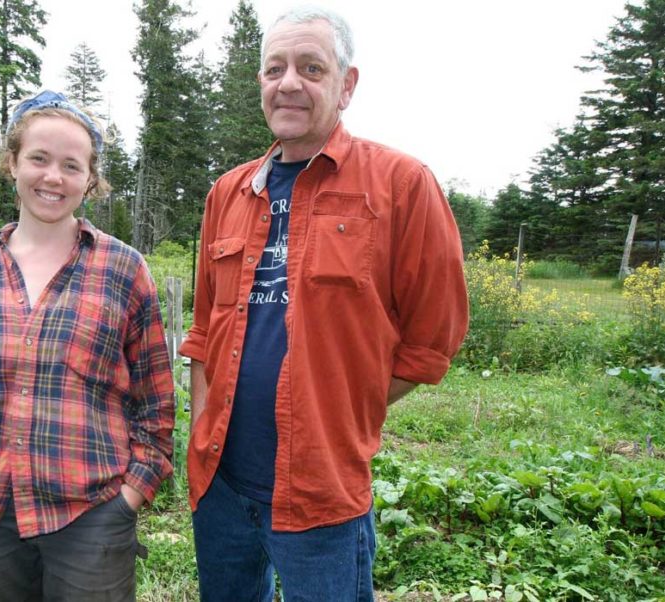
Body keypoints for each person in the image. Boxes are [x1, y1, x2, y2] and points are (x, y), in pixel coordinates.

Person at [178, 6, 469, 601]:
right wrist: (200, 434)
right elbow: (205, 331)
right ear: (260, 82)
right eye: (274, 68)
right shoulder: (227, 193)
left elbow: (431, 342)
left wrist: (337, 411)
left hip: (322, 492)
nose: (289, 82)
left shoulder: (401, 185)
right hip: (222, 488)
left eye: (311, 67)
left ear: (346, 84)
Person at [0, 90, 175, 602]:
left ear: (90, 180)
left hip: (92, 516)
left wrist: (130, 495)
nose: (53, 177)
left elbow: (156, 401)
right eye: (39, 158)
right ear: (12, 162)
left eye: (71, 165)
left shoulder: (125, 271)